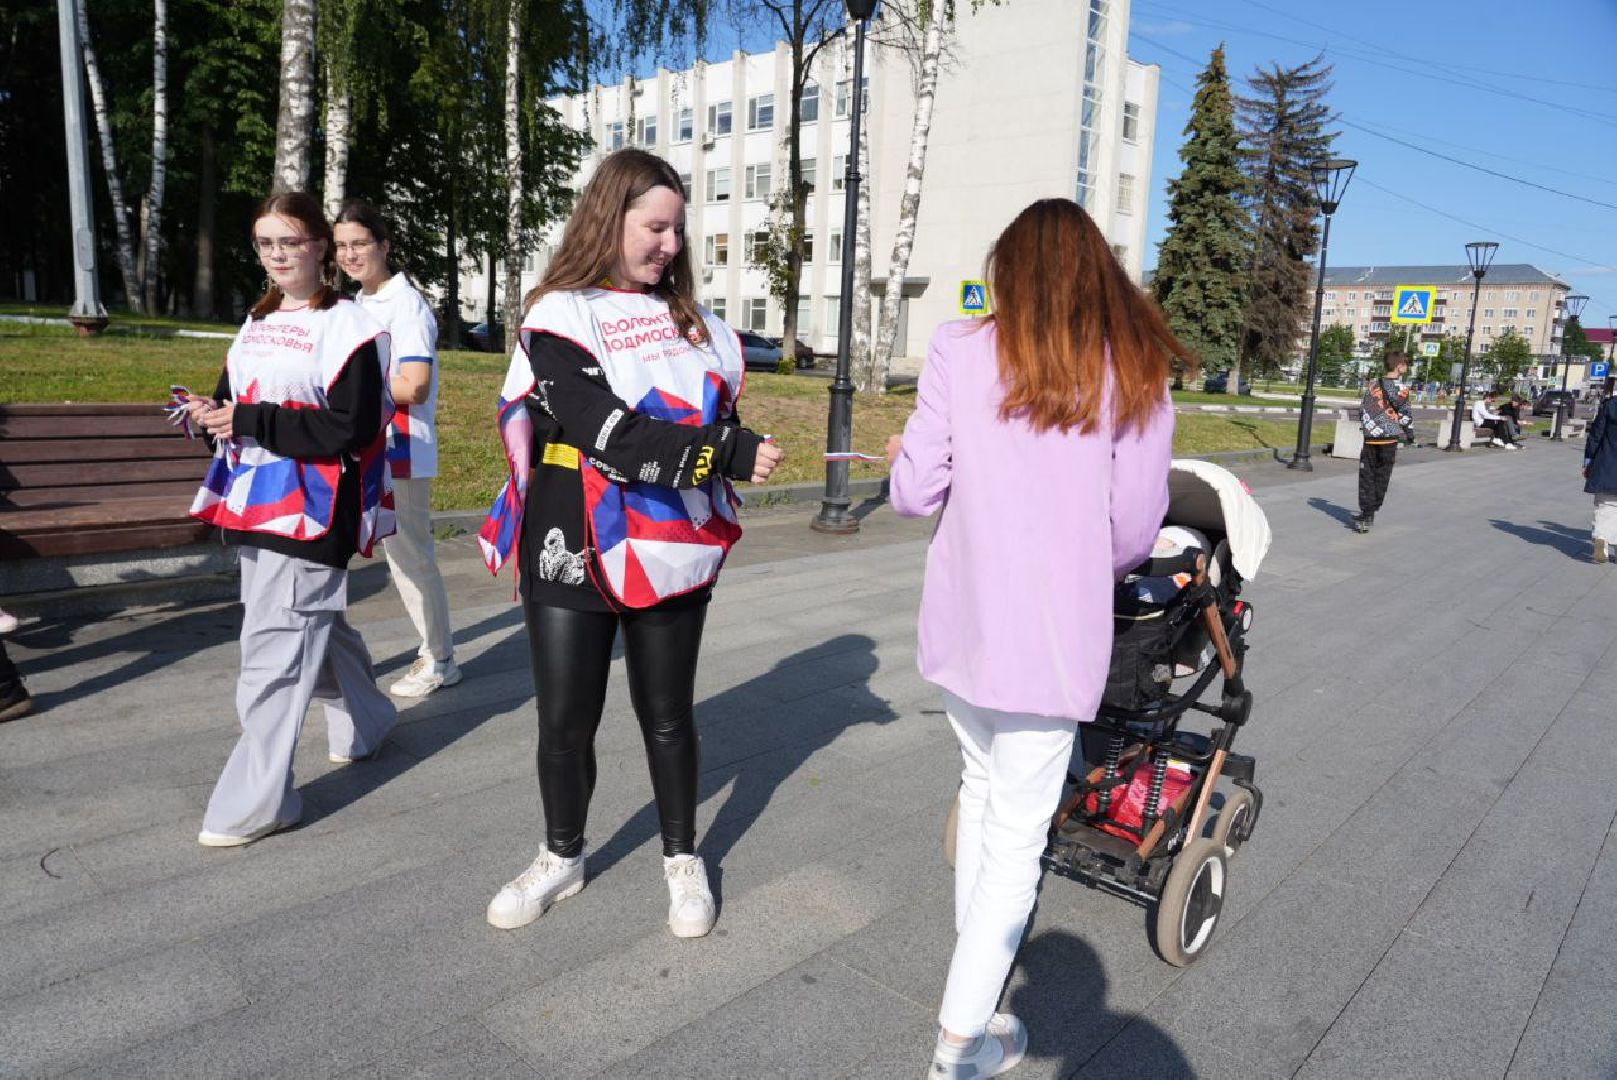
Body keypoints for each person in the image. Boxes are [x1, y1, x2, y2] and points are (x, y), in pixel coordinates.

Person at [886, 198, 1175, 1078]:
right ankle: (958, 1046)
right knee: (1016, 836)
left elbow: (910, 493)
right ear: (1098, 274)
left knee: (980, 794)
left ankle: (980, 983)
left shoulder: (958, 347)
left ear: (1007, 271)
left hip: (964, 624)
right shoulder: (1131, 366)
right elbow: (1133, 529)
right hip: (1052, 636)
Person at [478, 149, 785, 939]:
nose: (670, 245)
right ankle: (561, 855)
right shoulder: (556, 313)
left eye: (678, 229)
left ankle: (682, 858)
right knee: (563, 722)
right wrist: (729, 451)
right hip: (569, 537)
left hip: (668, 539)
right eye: (655, 227)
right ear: (607, 219)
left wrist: (729, 442)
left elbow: (698, 419)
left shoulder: (704, 329)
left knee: (668, 715)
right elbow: (605, 431)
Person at [185, 191, 399, 847]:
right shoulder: (258, 318)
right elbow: (234, 398)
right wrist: (209, 413)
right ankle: (367, 721)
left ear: (320, 248)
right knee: (307, 622)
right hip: (255, 500)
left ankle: (253, 804)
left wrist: (248, 420)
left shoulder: (350, 328)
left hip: (314, 510)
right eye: (265, 243)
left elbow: (351, 426)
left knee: (272, 652)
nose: (277, 255)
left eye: (291, 241)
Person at [334, 200, 461, 698]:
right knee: (380, 553)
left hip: (400, 448)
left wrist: (345, 385)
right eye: (342, 246)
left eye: (360, 243)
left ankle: (440, 660)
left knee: (410, 557)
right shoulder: (358, 304)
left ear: (384, 245)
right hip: (364, 445)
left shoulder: (405, 305)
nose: (350, 254)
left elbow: (416, 385)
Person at [1353, 350, 1414, 533]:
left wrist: (1369, 428)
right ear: (1399, 366)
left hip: (1370, 439)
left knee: (1367, 477)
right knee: (1382, 476)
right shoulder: (1402, 389)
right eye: (1406, 364)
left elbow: (1363, 410)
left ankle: (1367, 511)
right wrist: (1409, 433)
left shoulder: (1373, 385)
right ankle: (1370, 510)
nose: (1407, 367)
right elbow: (1404, 415)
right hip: (1389, 440)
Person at [1582, 391, 1617, 562]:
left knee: (1604, 505)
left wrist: (1588, 459)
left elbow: (1596, 435)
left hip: (1607, 464)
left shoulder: (1610, 406)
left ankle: (1601, 538)